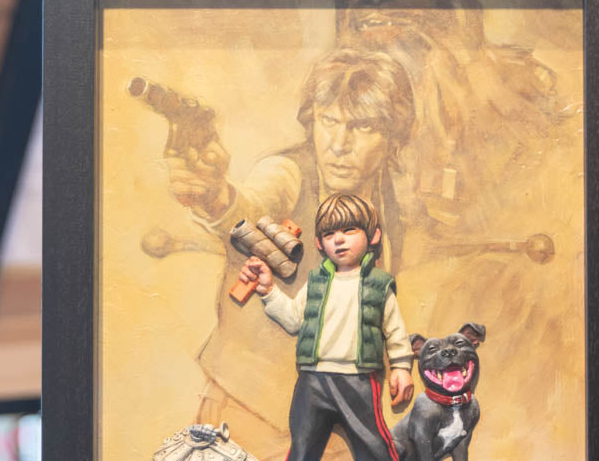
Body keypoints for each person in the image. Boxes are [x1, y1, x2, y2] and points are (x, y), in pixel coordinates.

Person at [152, 48, 415, 432]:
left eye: (362, 127)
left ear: (392, 137)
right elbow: (251, 206)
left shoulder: (390, 203)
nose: (339, 144)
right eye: (328, 120)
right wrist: (214, 197)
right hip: (252, 406)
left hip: (337, 410)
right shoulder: (287, 172)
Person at [238, 192, 415, 461]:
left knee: (371, 443)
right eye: (330, 234)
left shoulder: (379, 284)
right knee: (303, 437)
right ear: (319, 243)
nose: (339, 240)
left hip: (357, 380)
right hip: (313, 377)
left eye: (349, 231)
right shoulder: (316, 282)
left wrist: (401, 366)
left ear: (373, 236)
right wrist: (268, 290)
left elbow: (395, 331)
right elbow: (293, 319)